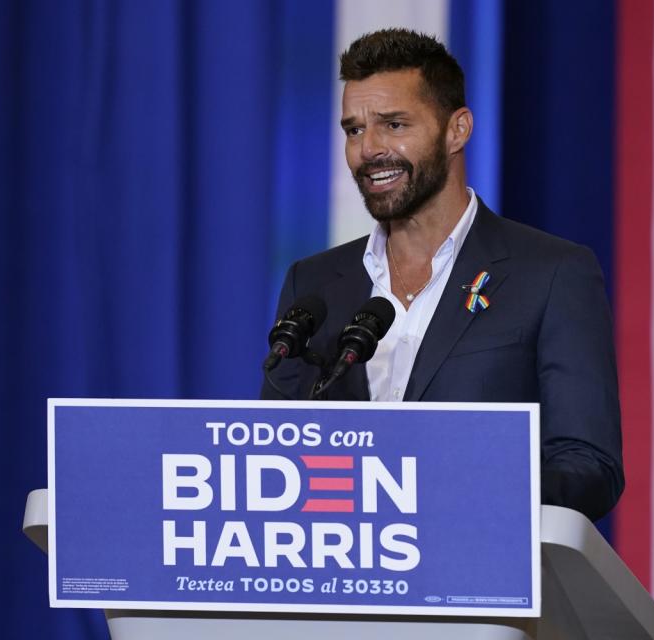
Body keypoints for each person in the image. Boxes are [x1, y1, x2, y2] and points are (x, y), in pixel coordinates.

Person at [262, 28, 623, 522]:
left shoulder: (553, 273)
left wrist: (460, 492)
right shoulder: (315, 285)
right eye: (354, 130)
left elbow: (589, 466)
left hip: (480, 582)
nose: (368, 149)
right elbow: (274, 459)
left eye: (393, 125)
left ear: (458, 129)